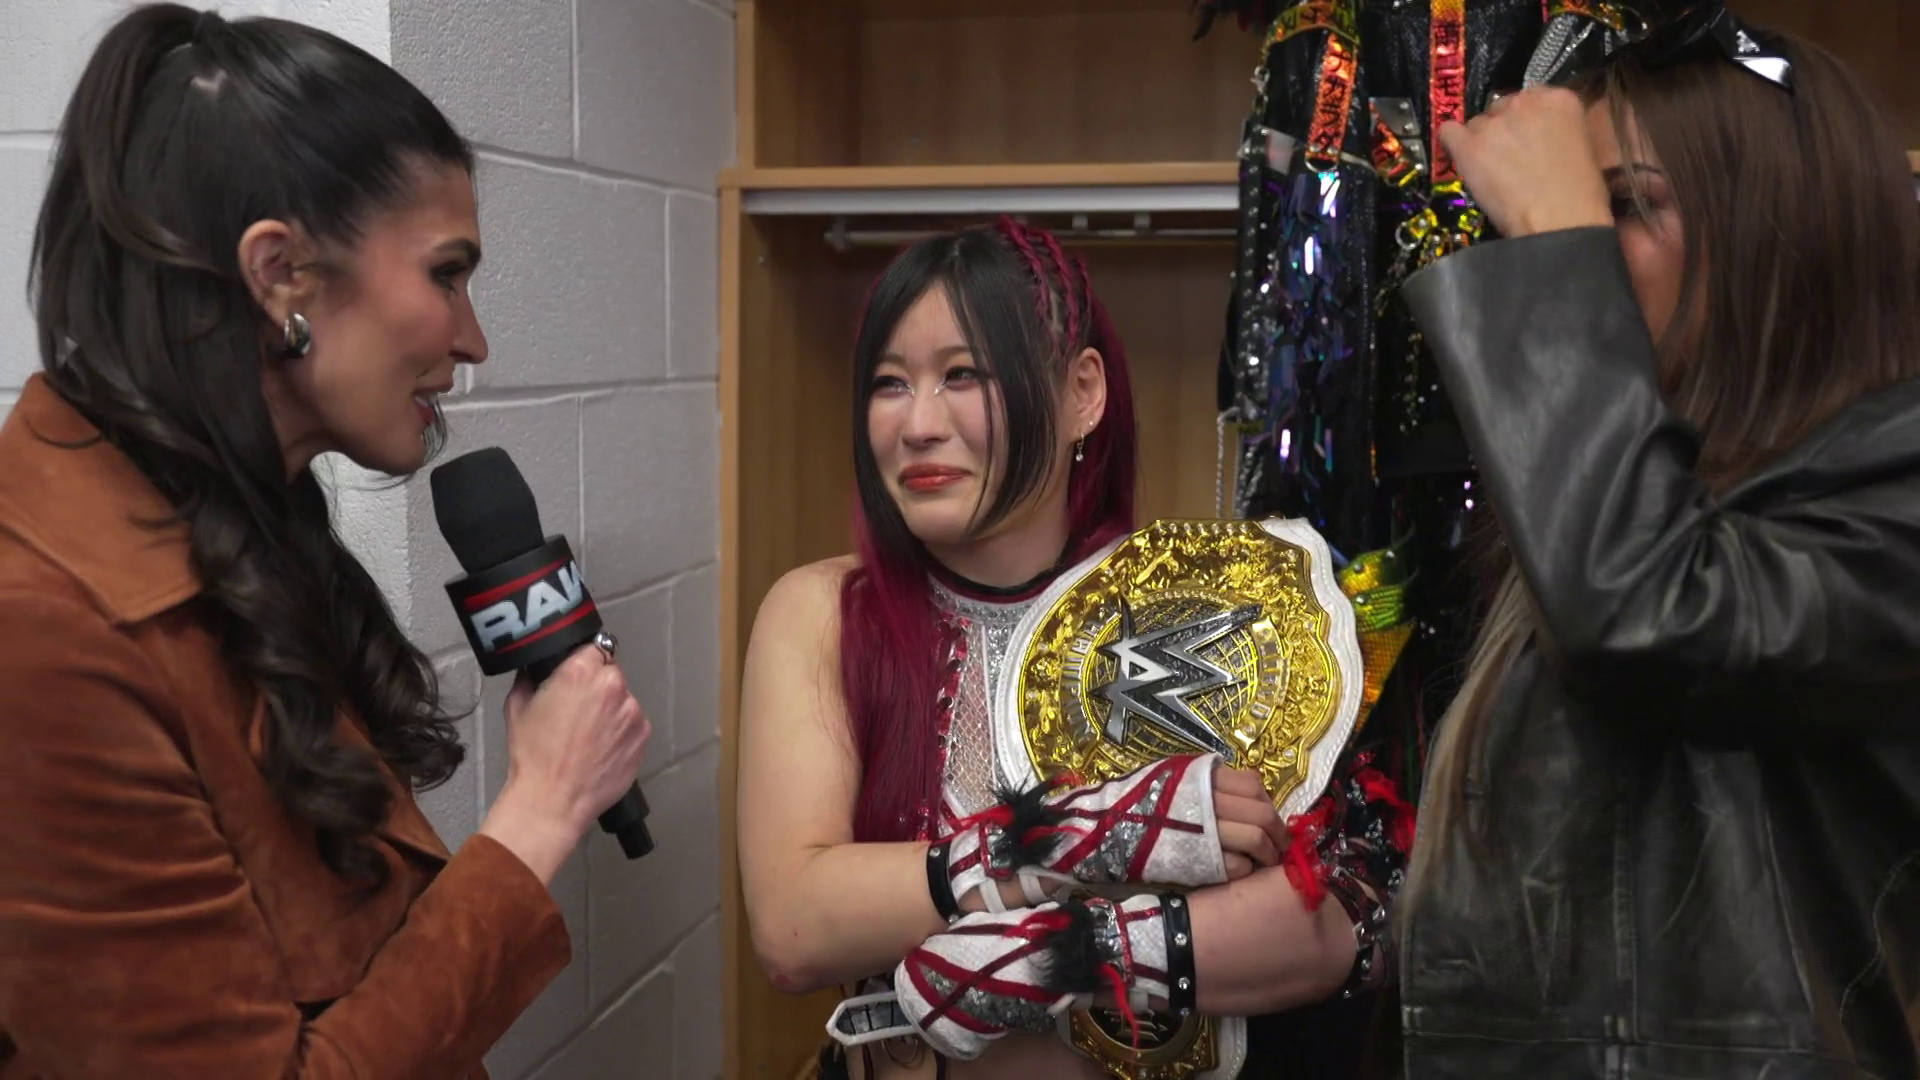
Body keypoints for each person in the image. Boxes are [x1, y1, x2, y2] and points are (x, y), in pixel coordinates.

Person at [0, 6, 651, 1077]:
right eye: (446, 274)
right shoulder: (47, 636)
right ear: (280, 276)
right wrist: (539, 813)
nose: (473, 340)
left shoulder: (242, 534)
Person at [736, 216, 1416, 1079]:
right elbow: (792, 927)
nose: (918, 424)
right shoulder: (826, 614)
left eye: (962, 375)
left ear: (1081, 393)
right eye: (889, 383)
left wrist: (1070, 954)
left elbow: (1346, 915)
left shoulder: (1211, 614)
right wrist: (1068, 842)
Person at [1390, 5, 1920, 1077]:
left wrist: (1557, 250)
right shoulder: (1613, 510)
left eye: (1623, 206)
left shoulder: (1891, 499)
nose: (1579, 247)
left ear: (1781, 233)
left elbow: (1653, 622)